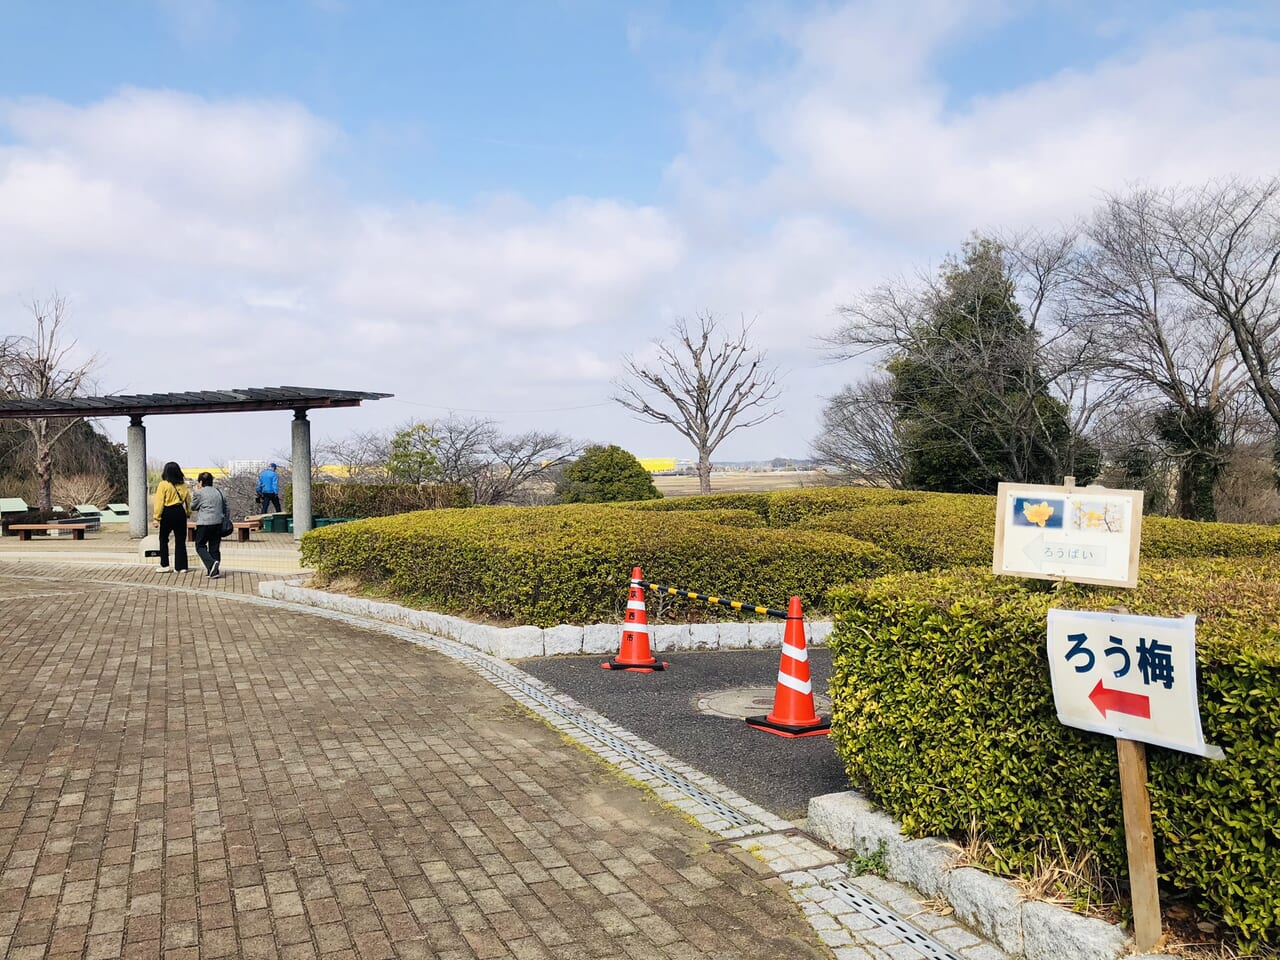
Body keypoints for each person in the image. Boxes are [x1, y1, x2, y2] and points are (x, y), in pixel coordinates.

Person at [152, 461, 191, 572]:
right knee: (180, 540)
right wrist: (188, 512)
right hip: (180, 512)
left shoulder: (163, 484)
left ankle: (165, 565)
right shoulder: (183, 485)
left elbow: (159, 502)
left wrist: (156, 518)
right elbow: (188, 500)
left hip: (167, 512)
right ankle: (181, 566)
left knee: (163, 539)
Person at [190, 471, 228, 579]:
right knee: (214, 547)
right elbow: (226, 507)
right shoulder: (219, 491)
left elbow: (192, 507)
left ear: (200, 482)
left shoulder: (199, 493)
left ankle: (211, 564)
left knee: (200, 546)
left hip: (204, 523)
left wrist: (196, 492)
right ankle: (214, 571)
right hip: (218, 522)